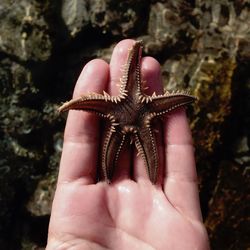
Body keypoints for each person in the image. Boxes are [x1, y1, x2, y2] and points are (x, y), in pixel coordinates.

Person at [46, 39, 210, 250]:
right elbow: (85, 103)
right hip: (130, 122)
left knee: (145, 167)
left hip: (138, 122)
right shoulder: (126, 109)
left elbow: (176, 100)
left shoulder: (145, 109)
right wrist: (73, 105)